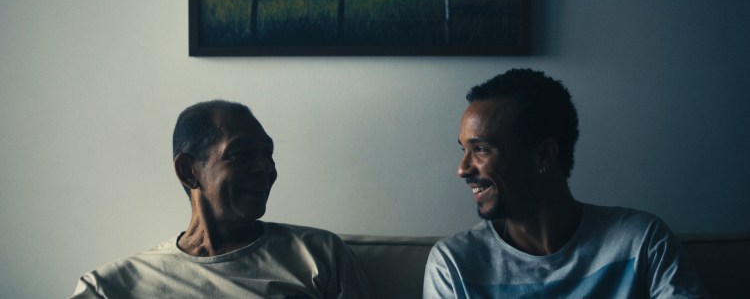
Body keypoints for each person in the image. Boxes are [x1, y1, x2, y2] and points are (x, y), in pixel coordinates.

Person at [423, 69, 708, 298]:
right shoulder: (455, 263)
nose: (462, 169)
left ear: (544, 155)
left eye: (481, 149)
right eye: (464, 149)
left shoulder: (641, 242)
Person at [72, 100, 372, 298]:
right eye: (241, 154)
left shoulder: (321, 255)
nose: (265, 167)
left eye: (268, 154)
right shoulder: (109, 287)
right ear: (189, 171)